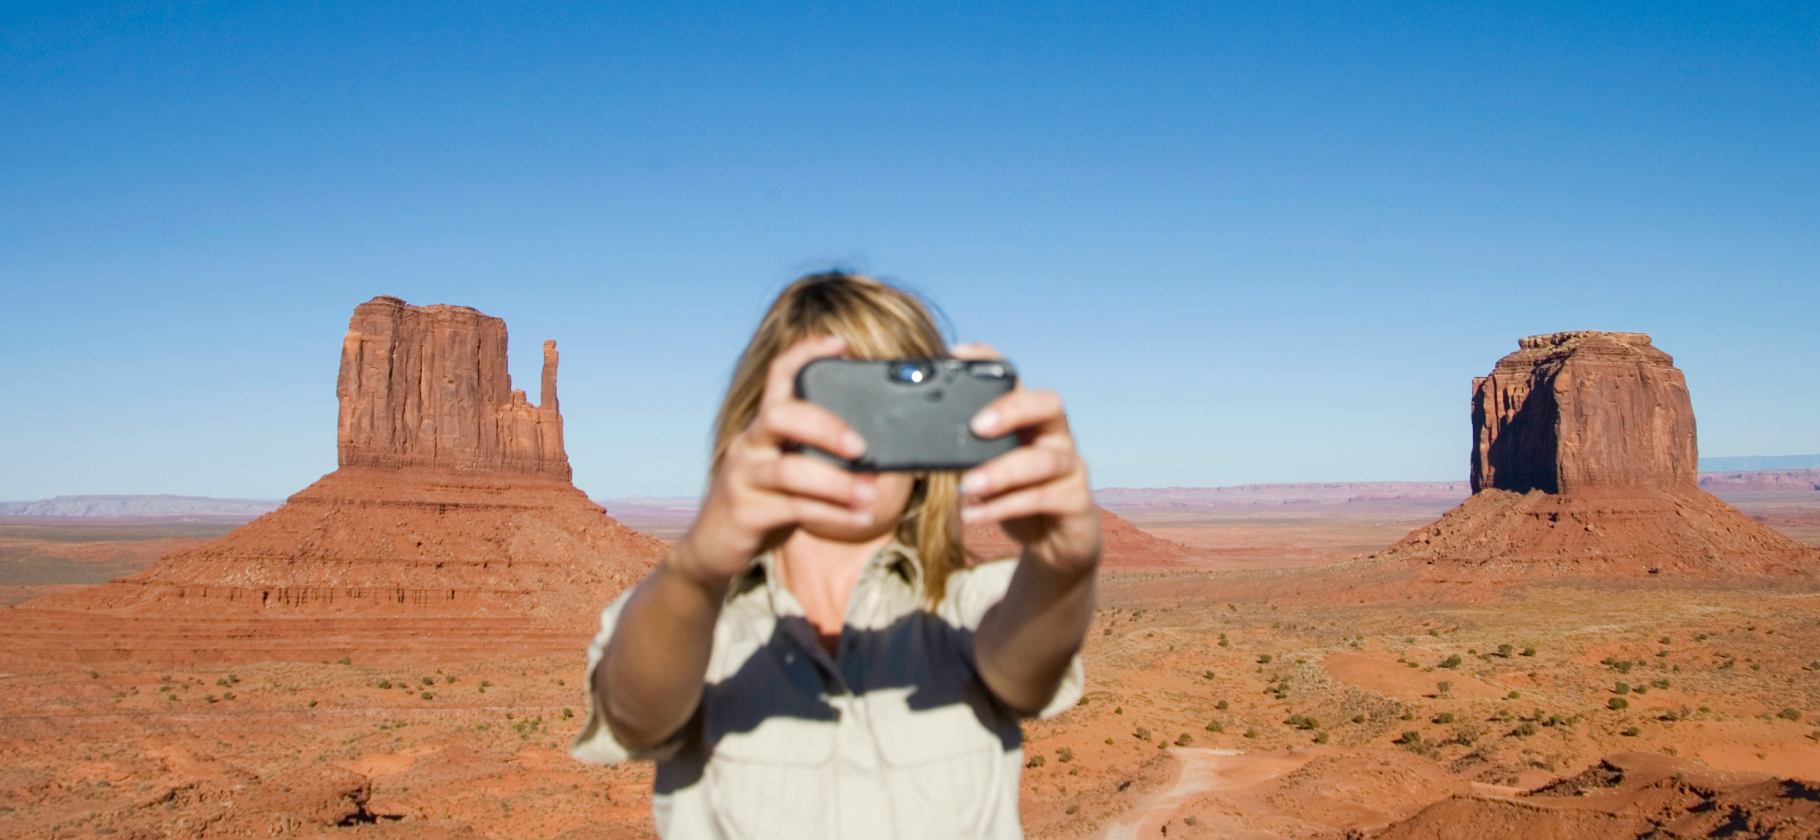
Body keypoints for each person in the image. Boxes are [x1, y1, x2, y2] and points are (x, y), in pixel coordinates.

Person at [570, 272, 1102, 839]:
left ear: (931, 441)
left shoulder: (967, 606)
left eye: (893, 407)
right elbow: (637, 715)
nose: (859, 437)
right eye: (839, 400)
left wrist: (1059, 566)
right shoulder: (690, 618)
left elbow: (1023, 673)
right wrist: (697, 568)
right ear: (761, 422)